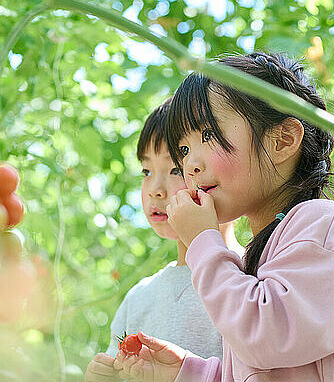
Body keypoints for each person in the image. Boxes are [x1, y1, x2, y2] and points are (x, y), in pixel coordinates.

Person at [112, 52, 334, 381]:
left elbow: (266, 337)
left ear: (282, 140)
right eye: (184, 150)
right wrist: (189, 371)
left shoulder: (321, 225)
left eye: (208, 135)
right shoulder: (259, 260)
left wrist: (203, 241)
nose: (191, 164)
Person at [84, 98, 244, 382]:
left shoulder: (253, 275)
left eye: (173, 170)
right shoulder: (139, 297)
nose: (155, 190)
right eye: (146, 171)